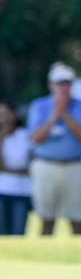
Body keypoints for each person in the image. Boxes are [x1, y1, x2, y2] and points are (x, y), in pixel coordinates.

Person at [27, 62, 81, 236]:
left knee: (77, 219)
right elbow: (35, 137)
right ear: (51, 85)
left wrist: (64, 113)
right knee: (46, 219)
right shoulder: (39, 105)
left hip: (74, 166)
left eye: (67, 83)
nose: (64, 87)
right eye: (59, 83)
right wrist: (54, 115)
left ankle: (80, 259)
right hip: (45, 166)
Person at [0, 99, 32, 235]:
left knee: (18, 232)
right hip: (1, 190)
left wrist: (9, 170)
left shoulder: (25, 135)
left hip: (21, 191)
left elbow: (30, 167)